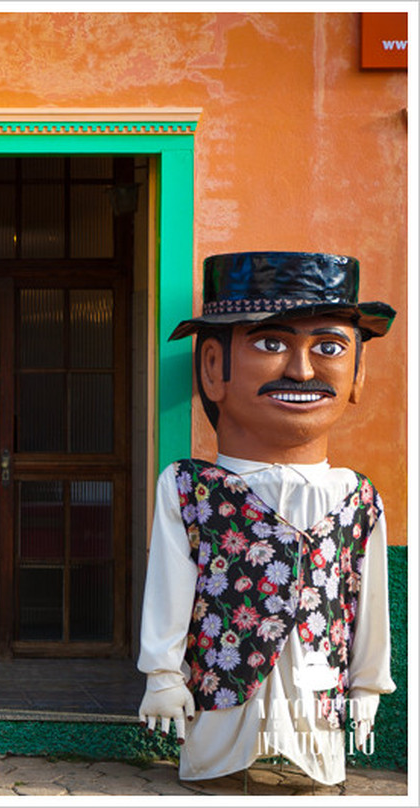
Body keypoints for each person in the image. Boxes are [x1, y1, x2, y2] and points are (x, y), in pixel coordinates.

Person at [137, 251, 396, 785]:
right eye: (271, 344)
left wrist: (368, 684)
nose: (302, 371)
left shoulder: (357, 496)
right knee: (218, 745)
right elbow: (169, 585)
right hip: (222, 683)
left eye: (328, 348)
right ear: (213, 366)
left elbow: (368, 596)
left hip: (316, 684)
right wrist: (162, 675)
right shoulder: (191, 488)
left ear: (357, 372)